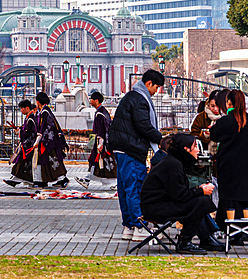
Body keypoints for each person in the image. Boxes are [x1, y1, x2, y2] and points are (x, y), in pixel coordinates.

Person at [140, 133, 221, 254]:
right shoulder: (173, 165)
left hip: (160, 204)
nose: (198, 150)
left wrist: (199, 190)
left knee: (200, 201)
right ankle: (185, 242)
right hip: (156, 209)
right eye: (195, 146)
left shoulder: (175, 162)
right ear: (186, 149)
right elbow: (180, 196)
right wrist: (201, 190)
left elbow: (179, 193)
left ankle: (205, 237)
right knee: (201, 202)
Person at [109, 69, 165, 242]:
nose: (157, 91)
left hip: (121, 148)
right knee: (135, 187)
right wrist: (161, 140)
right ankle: (139, 226)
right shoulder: (140, 99)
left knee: (125, 188)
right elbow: (144, 126)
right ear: (149, 84)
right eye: (157, 87)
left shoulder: (131, 97)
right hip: (131, 149)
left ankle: (129, 225)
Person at [209, 89, 248, 231]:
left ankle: (228, 228)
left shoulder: (226, 120)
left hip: (229, 166)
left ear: (229, 102)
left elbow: (214, 135)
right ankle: (247, 229)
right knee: (245, 199)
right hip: (247, 166)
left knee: (228, 199)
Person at [33, 92, 68, 187]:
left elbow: (42, 127)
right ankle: (43, 179)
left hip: (49, 141)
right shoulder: (46, 111)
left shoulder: (44, 112)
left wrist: (37, 140)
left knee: (53, 160)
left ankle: (62, 179)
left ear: (38, 102)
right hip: (51, 140)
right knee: (49, 160)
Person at [4, 99, 37, 187]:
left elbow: (28, 133)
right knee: (22, 163)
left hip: (29, 145)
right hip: (27, 144)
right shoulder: (29, 117)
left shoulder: (31, 119)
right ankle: (18, 180)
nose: (21, 111)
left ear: (27, 108)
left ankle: (16, 179)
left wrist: (20, 132)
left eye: (22, 109)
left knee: (22, 163)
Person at [86, 92, 115, 182]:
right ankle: (87, 179)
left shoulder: (99, 114)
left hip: (102, 141)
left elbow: (101, 130)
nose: (90, 101)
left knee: (104, 160)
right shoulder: (103, 111)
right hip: (106, 140)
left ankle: (114, 181)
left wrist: (100, 143)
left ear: (96, 100)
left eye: (91, 99)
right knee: (96, 159)